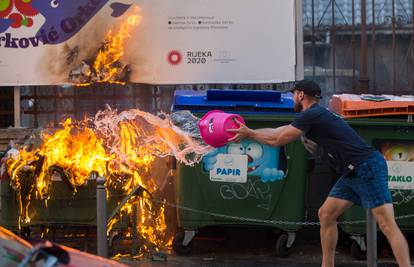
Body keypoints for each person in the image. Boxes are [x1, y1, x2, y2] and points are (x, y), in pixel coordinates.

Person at [227, 79, 411, 267]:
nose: (292, 98)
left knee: (387, 225)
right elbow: (278, 131)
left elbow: (278, 139)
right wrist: (251, 132)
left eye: (293, 94)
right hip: (351, 172)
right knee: (326, 214)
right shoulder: (314, 115)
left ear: (301, 95)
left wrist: (249, 133)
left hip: (366, 167)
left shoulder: (312, 114)